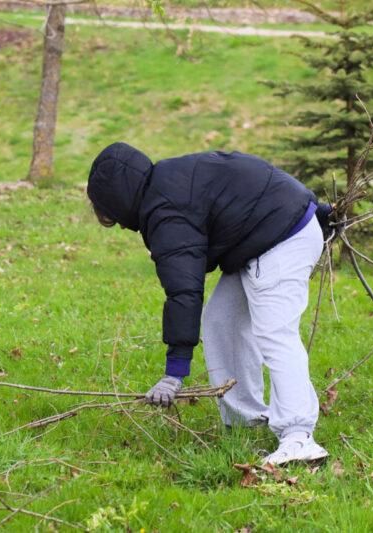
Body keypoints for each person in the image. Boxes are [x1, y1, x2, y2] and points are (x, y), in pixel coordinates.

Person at [87, 142, 333, 465]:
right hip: (269, 232)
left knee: (275, 332)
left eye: (112, 215)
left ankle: (299, 437)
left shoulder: (165, 212)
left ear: (119, 202)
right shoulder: (168, 179)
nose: (118, 224)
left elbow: (184, 292)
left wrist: (174, 371)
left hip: (282, 237)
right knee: (221, 319)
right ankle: (245, 422)